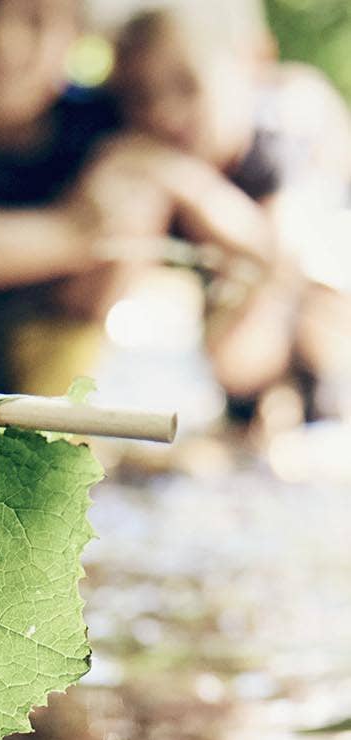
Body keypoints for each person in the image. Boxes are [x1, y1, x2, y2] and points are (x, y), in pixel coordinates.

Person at [0, 0, 279, 397]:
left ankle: (58, 412)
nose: (6, 41)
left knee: (133, 194)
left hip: (47, 345)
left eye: (36, 19)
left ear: (74, 30)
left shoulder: (97, 123)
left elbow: (242, 235)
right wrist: (77, 233)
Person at [110, 4, 351, 426]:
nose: (164, 112)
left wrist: (189, 186)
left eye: (186, 85)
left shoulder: (283, 127)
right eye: (141, 96)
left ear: (247, 65)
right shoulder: (166, 153)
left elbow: (278, 259)